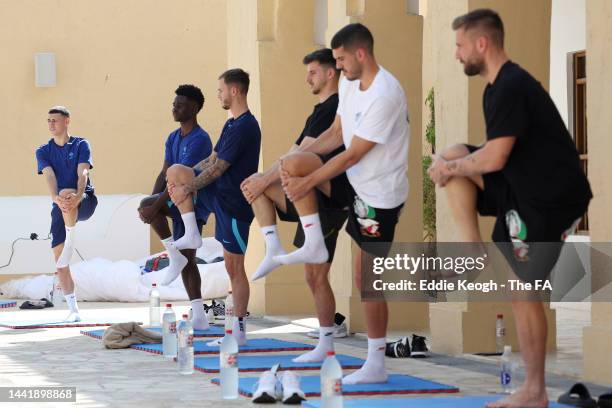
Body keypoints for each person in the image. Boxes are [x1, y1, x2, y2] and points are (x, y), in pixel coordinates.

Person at [428, 9, 592, 408]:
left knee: (524, 292)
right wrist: (452, 165)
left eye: (460, 45)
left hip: (550, 199)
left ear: (481, 44)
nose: (456, 54)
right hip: (520, 190)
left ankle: (534, 392)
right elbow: (493, 155)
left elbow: (496, 157)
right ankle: (473, 249)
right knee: (452, 155)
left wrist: (448, 168)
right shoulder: (495, 88)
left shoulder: (512, 85)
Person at [265, 23, 410, 384]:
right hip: (356, 186)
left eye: (342, 59)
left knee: (367, 277)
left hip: (380, 197)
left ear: (360, 54)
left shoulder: (386, 94)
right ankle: (314, 241)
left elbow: (352, 155)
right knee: (295, 162)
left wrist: (306, 182)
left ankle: (376, 363)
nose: (339, 67)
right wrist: (292, 160)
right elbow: (334, 135)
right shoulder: (348, 84)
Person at [241, 48, 347, 362]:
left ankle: (326, 343)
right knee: (256, 186)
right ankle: (273, 248)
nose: (307, 78)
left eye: (313, 72)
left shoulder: (337, 105)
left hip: (326, 196)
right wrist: (263, 179)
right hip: (303, 194)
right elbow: (292, 152)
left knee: (316, 276)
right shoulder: (317, 111)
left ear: (330, 73)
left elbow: (306, 151)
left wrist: (266, 177)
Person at [166, 69, 261, 346]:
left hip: (235, 204)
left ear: (234, 91)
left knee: (234, 268)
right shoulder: (231, 124)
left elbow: (219, 168)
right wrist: (185, 179)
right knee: (176, 171)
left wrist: (189, 187)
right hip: (218, 197)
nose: (218, 95)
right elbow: (212, 158)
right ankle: (192, 232)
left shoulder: (246, 126)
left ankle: (238, 331)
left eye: (220, 90)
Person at [137, 84, 213, 330]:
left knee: (189, 258)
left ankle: (199, 314)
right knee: (183, 257)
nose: (175, 108)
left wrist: (154, 206)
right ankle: (172, 254)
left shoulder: (200, 139)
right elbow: (164, 172)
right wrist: (151, 202)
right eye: (174, 104)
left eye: (180, 105)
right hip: (173, 200)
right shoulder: (172, 137)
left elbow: (181, 179)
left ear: (194, 108)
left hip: (192, 202)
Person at [36, 106, 98, 322]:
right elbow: (49, 175)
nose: (51, 124)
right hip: (60, 205)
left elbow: (83, 172)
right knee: (59, 258)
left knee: (67, 192)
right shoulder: (43, 150)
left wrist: (79, 194)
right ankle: (74, 310)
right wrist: (54, 197)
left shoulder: (81, 144)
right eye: (48, 120)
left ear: (67, 121)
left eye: (55, 120)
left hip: (84, 201)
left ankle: (71, 238)